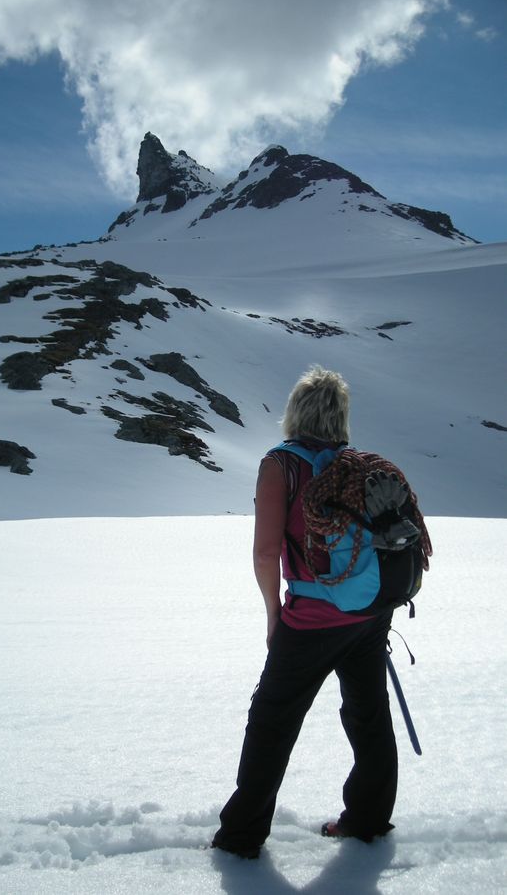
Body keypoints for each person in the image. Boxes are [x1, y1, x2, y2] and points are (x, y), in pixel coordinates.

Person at [212, 365, 398, 859]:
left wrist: (274, 613)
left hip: (312, 618)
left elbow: (264, 551)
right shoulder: (356, 465)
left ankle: (240, 837)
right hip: (369, 613)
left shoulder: (281, 464)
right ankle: (368, 820)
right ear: (340, 416)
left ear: (295, 411)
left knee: (272, 718)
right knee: (368, 712)